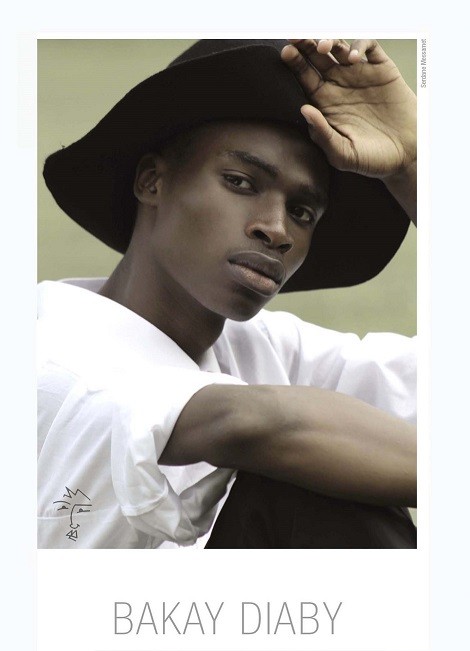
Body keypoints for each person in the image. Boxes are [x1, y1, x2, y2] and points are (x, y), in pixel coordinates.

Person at [38, 38, 417, 549]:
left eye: (303, 212)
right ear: (151, 181)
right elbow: (252, 424)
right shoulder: (48, 350)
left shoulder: (261, 349)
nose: (276, 229)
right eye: (241, 182)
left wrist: (416, 163)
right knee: (313, 478)